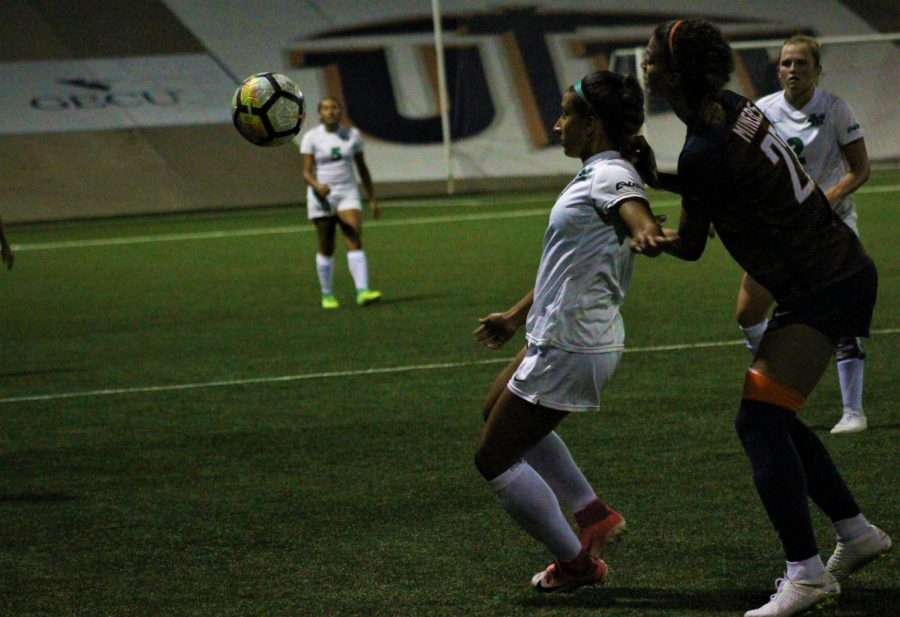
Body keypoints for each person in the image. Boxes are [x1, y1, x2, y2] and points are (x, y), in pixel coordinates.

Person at [638, 19, 891, 617]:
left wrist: (644, 233)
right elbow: (721, 185)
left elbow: (694, 241)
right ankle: (855, 534)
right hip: (832, 267)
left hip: (821, 284)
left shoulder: (704, 146)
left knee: (758, 423)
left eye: (652, 57)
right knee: (775, 418)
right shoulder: (736, 107)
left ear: (673, 73)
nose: (644, 64)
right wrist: (656, 178)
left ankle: (806, 575)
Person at [473, 70, 664, 593]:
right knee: (494, 412)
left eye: (565, 115)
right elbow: (568, 261)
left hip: (573, 341)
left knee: (493, 456)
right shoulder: (594, 171)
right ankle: (592, 512)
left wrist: (649, 231)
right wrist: (514, 317)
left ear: (594, 125)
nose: (557, 125)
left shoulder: (609, 175)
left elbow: (635, 213)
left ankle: (577, 564)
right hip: (556, 333)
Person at [736, 34, 871, 435]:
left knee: (842, 319)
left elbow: (859, 168)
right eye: (786, 63)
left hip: (830, 229)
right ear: (777, 69)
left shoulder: (834, 109)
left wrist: (824, 200)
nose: (793, 70)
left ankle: (854, 411)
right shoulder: (762, 110)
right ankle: (778, 386)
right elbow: (746, 167)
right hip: (779, 230)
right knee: (747, 313)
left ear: (817, 69)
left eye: (801, 63)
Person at [299, 96, 382, 309]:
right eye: (326, 108)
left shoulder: (351, 135)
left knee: (354, 237)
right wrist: (318, 186)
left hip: (347, 192)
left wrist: (372, 198)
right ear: (320, 113)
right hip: (321, 195)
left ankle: (363, 291)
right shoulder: (311, 138)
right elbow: (306, 173)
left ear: (340, 111)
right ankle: (327, 294)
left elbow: (362, 168)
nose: (330, 112)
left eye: (334, 108)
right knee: (326, 245)